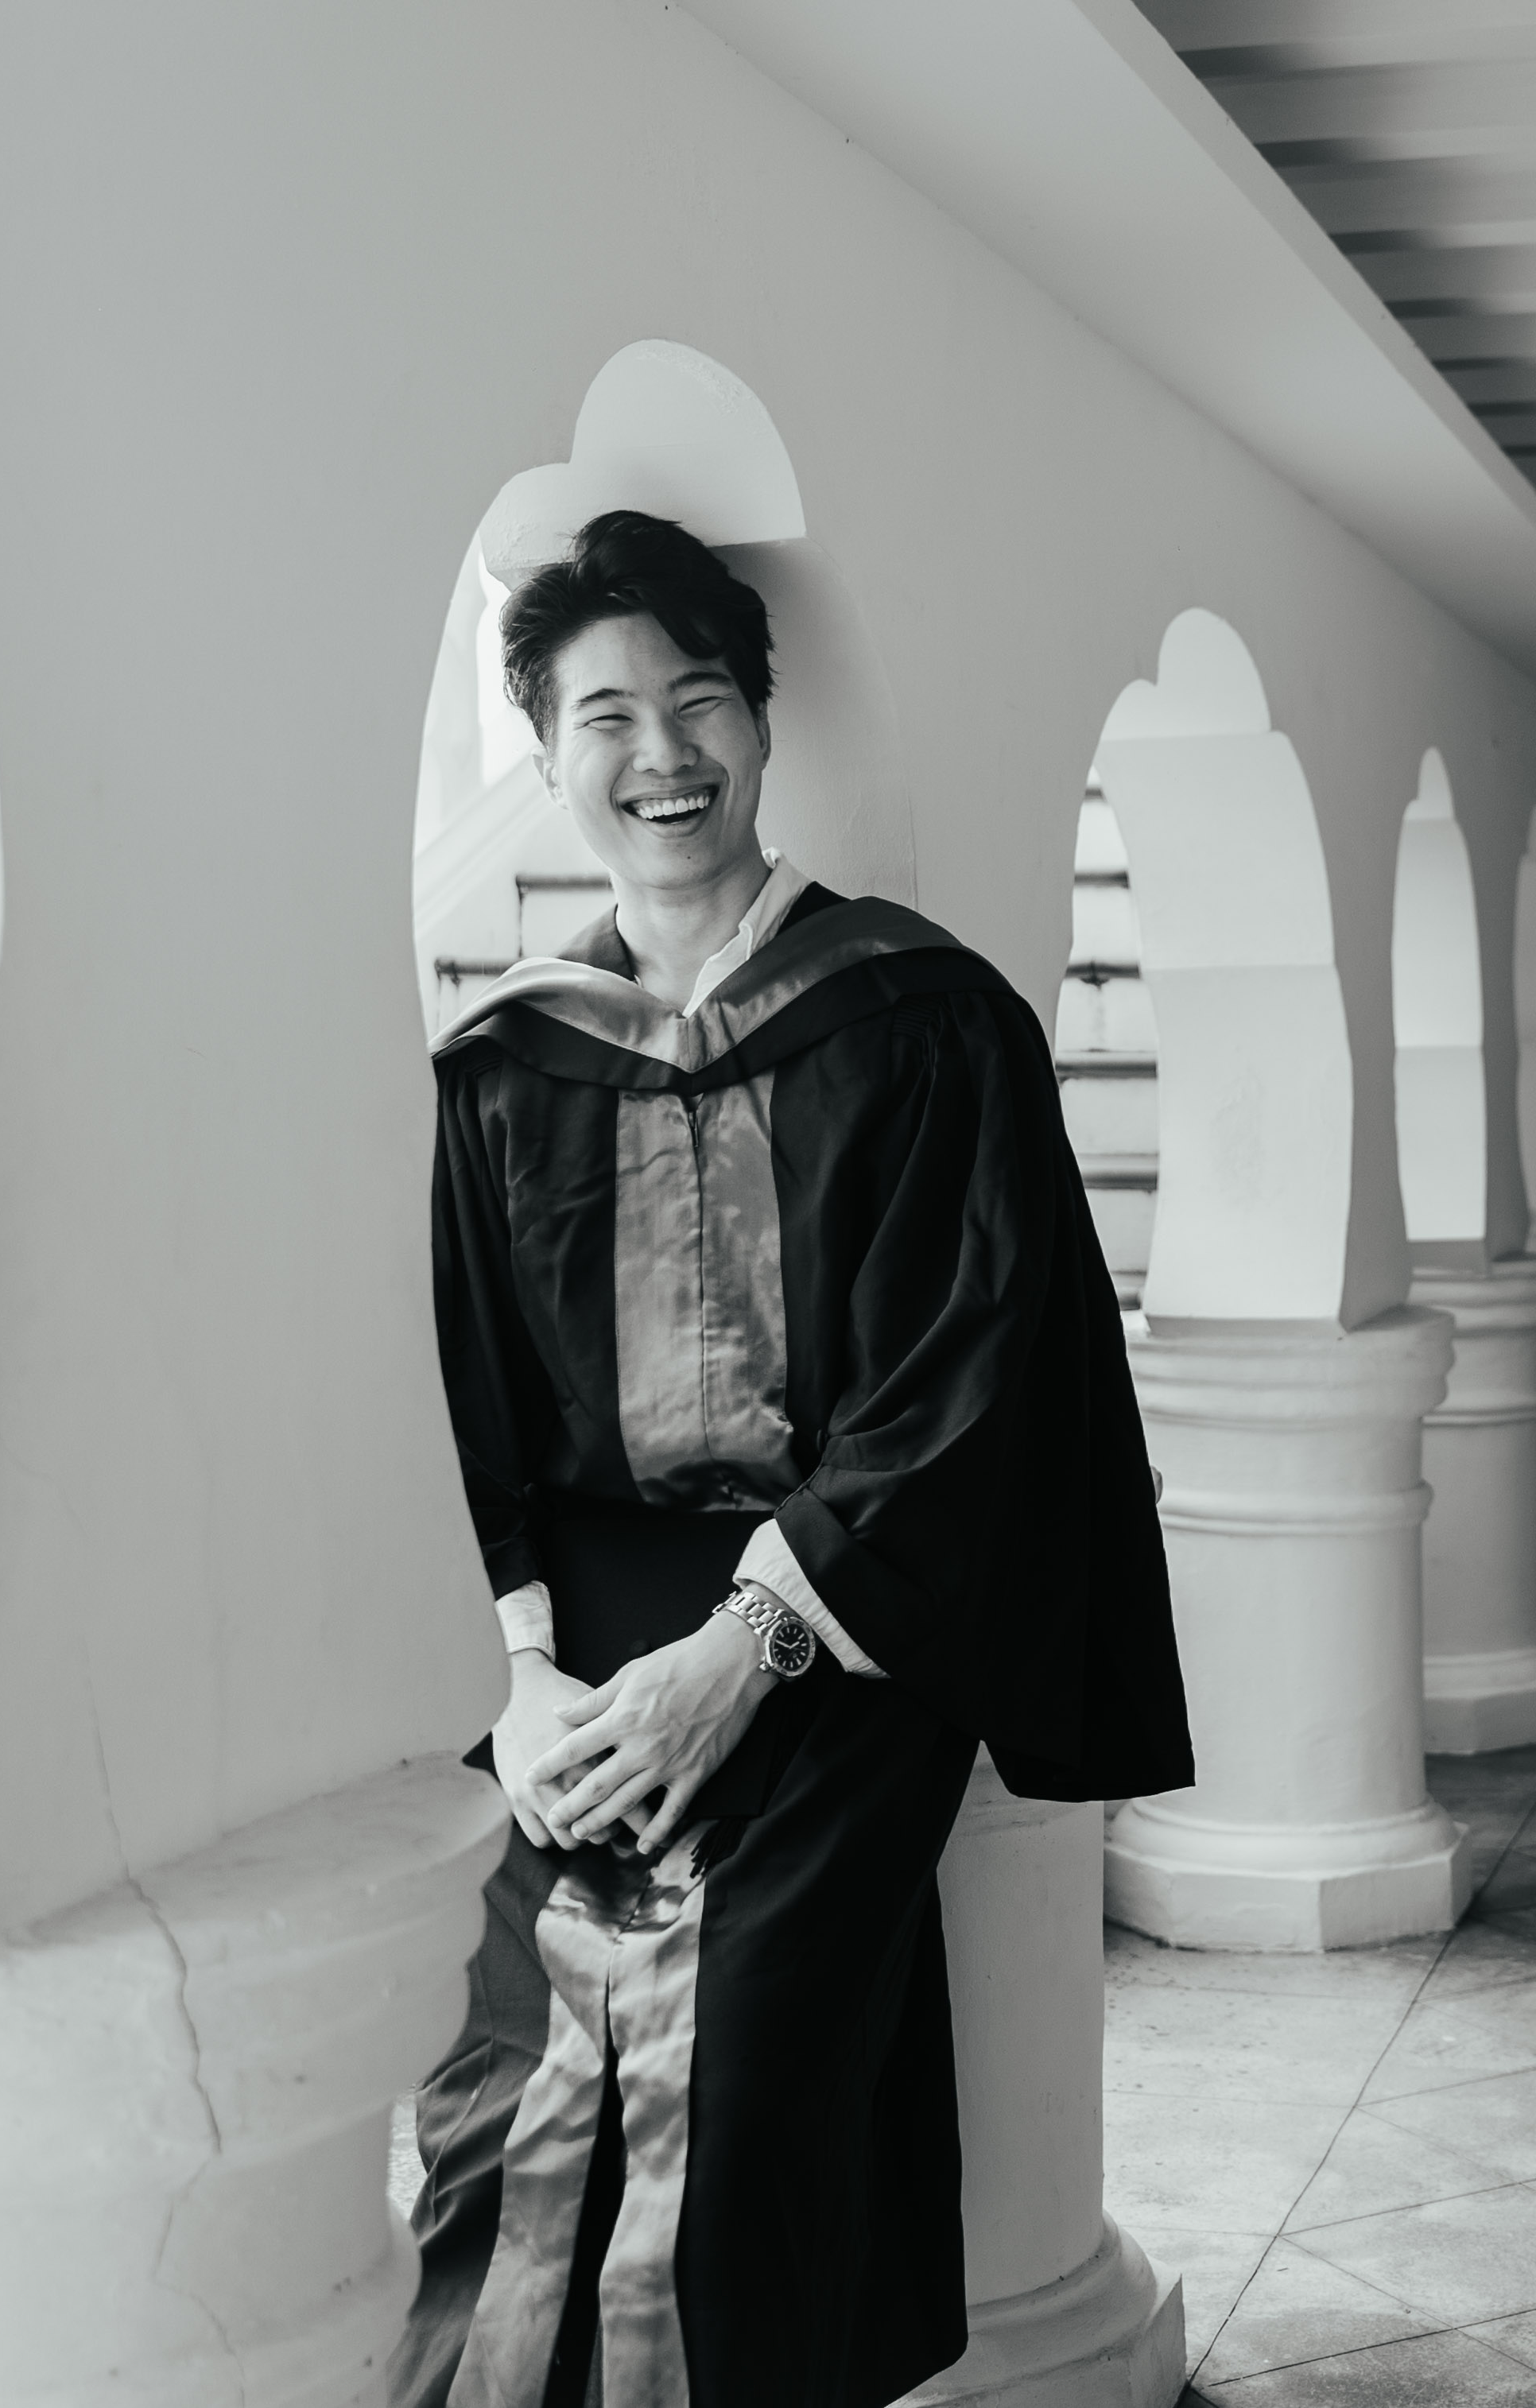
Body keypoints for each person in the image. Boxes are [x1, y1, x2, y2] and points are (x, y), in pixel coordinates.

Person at [397, 510, 1191, 2407]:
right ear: (546, 754)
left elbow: (974, 1381)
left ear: (761, 725)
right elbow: (455, 1398)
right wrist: (515, 1676)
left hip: (838, 1627)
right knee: (503, 2105)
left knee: (740, 2091)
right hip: (571, 1649)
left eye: (698, 702)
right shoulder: (506, 1064)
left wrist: (743, 1656)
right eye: (604, 717)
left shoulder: (922, 1022)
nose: (659, 754)